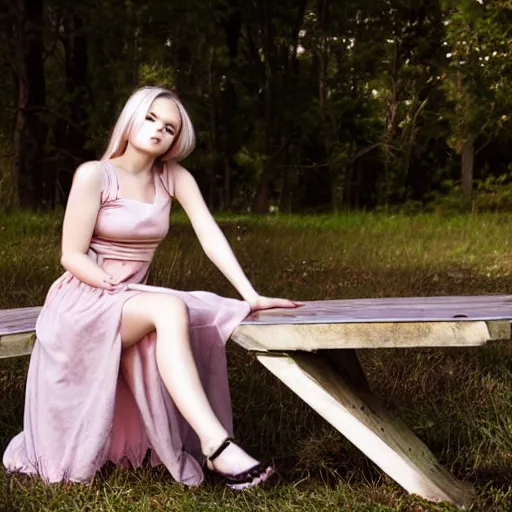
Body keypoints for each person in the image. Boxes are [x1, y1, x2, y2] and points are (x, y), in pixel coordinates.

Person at [3, 86, 301, 490]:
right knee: (169, 309)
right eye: (151, 118)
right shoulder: (95, 174)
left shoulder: (172, 177)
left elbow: (210, 236)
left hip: (129, 300)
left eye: (169, 127)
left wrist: (250, 294)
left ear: (176, 140)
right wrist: (104, 280)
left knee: (186, 310)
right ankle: (217, 448)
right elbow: (71, 255)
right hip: (83, 298)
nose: (159, 130)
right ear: (131, 118)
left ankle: (211, 444)